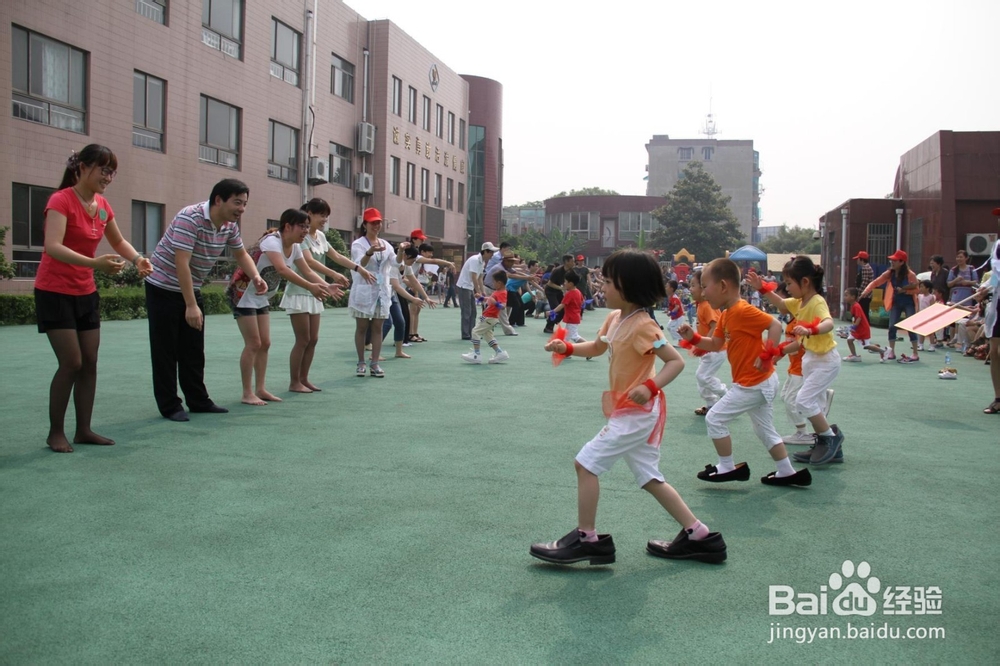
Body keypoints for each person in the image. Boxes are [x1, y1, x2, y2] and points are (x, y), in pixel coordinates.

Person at [530, 249, 726, 566]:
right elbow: (596, 347)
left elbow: (674, 362)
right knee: (649, 477)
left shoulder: (644, 327)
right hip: (627, 410)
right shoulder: (614, 318)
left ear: (629, 287)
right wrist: (566, 347)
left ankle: (588, 539)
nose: (602, 288)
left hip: (637, 414)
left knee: (585, 463)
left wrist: (649, 387)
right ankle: (700, 536)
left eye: (608, 282)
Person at [35, 144, 153, 452]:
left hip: (84, 291)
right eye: (104, 170)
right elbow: (53, 246)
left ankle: (83, 429)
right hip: (54, 290)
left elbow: (117, 239)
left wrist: (138, 258)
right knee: (71, 362)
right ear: (83, 167)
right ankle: (55, 432)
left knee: (90, 362)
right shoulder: (61, 200)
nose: (109, 177)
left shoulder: (101, 205)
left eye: (112, 171)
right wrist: (94, 264)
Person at [679, 258, 812, 487]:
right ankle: (786, 471)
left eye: (704, 285)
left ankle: (727, 467)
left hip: (754, 383)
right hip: (759, 383)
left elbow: (775, 326)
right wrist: (693, 338)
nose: (702, 291)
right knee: (764, 430)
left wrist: (768, 354)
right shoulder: (727, 314)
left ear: (722, 286)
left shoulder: (742, 310)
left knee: (715, 418)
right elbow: (715, 343)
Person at [146, 179, 266, 422]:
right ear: (218, 200)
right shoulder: (189, 218)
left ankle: (198, 400)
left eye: (244, 204)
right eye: (237, 202)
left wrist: (255, 276)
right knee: (166, 349)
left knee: (193, 348)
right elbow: (182, 263)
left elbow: (241, 253)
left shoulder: (229, 226)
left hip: (191, 286)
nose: (241, 208)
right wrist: (191, 305)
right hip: (163, 286)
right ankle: (170, 405)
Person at [230, 209, 339, 405]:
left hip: (261, 297)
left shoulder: (295, 246)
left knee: (265, 343)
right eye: (302, 226)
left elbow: (306, 270)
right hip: (243, 294)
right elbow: (282, 269)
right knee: (254, 343)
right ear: (287, 226)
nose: (306, 230)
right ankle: (247, 393)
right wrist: (311, 287)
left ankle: (260, 389)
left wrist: (325, 286)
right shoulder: (272, 241)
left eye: (307, 226)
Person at [750, 258, 844, 465]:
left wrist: (812, 328)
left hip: (825, 361)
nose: (787, 288)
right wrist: (762, 288)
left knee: (803, 400)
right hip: (811, 360)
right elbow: (782, 304)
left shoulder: (817, 302)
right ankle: (828, 444)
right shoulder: (800, 303)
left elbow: (828, 323)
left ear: (805, 282)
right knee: (815, 403)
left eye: (789, 283)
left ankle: (830, 439)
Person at [282, 198, 374, 393]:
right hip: (300, 290)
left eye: (326, 216)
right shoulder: (302, 236)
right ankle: (294, 382)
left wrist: (358, 268)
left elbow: (338, 257)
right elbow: (309, 263)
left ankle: (304, 379)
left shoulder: (321, 237)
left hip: (317, 291)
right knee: (303, 339)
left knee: (313, 339)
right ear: (310, 213)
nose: (324, 219)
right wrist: (332, 274)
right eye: (321, 215)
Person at [349, 207, 398, 378]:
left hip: (381, 292)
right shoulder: (358, 244)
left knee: (378, 327)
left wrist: (403, 253)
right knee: (362, 327)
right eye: (373, 223)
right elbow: (358, 264)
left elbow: (396, 263)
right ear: (365, 224)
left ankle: (374, 363)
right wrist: (369, 252)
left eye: (378, 223)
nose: (376, 226)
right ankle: (361, 362)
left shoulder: (386, 245)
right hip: (364, 289)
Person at [860, 250, 920, 363]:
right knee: (892, 326)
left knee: (911, 327)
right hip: (896, 302)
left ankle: (915, 353)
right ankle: (891, 351)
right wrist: (866, 291)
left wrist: (904, 291)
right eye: (891, 260)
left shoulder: (910, 274)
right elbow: (876, 282)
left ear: (902, 262)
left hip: (908, 302)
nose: (892, 262)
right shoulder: (890, 273)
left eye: (894, 260)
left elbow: (917, 289)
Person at [688, 270, 727, 416]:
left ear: (704, 288)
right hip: (709, 349)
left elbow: (715, 325)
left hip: (715, 349)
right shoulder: (701, 305)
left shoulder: (707, 305)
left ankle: (725, 395)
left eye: (693, 285)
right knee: (702, 377)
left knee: (703, 376)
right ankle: (711, 404)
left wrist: (705, 345)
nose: (690, 289)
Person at [977, 208, 1000, 415]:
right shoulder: (998, 246)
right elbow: (996, 275)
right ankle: (998, 398)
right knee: (994, 352)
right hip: (998, 306)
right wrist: (984, 290)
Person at [462, 271, 510, 364]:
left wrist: (495, 303)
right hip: (489, 318)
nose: (493, 284)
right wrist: (480, 298)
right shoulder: (497, 292)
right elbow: (489, 300)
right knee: (488, 336)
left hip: (489, 318)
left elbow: (503, 306)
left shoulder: (502, 293)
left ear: (499, 283)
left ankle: (476, 354)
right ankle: (499, 353)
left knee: (475, 332)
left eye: (494, 282)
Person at [455, 242, 497, 339]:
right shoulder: (475, 260)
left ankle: (473, 332)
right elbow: (474, 277)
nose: (492, 255)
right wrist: (478, 292)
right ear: (485, 251)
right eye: (491, 252)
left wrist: (483, 292)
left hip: (469, 287)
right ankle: (466, 334)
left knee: (473, 311)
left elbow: (480, 278)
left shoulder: (482, 262)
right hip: (464, 286)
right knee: (467, 311)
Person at [543, 254, 577, 334]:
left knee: (564, 309)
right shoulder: (557, 270)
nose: (574, 263)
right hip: (550, 291)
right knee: (556, 308)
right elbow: (550, 283)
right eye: (572, 261)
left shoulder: (571, 271)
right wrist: (562, 288)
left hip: (558, 291)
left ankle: (552, 320)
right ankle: (548, 327)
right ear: (566, 262)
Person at [549, 270, 585, 343]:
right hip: (575, 317)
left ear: (571, 284)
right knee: (566, 337)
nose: (564, 283)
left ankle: (588, 348)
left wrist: (552, 311)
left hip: (571, 318)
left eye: (565, 282)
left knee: (574, 336)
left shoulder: (570, 293)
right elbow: (582, 302)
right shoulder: (578, 291)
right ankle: (564, 352)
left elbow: (562, 305)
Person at [842, 287, 874, 361]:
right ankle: (854, 356)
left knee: (866, 346)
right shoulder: (853, 305)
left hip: (862, 329)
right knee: (849, 340)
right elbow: (855, 319)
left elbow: (859, 318)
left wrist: (854, 327)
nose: (845, 297)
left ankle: (883, 351)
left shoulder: (856, 306)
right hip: (858, 329)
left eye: (846, 295)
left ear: (853, 297)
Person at [854, 251, 874, 322]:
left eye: (858, 259)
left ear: (861, 259)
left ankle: (866, 329)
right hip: (867, 295)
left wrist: (859, 295)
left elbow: (864, 282)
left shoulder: (865, 268)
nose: (857, 260)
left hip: (864, 296)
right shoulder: (867, 267)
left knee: (863, 314)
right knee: (864, 313)